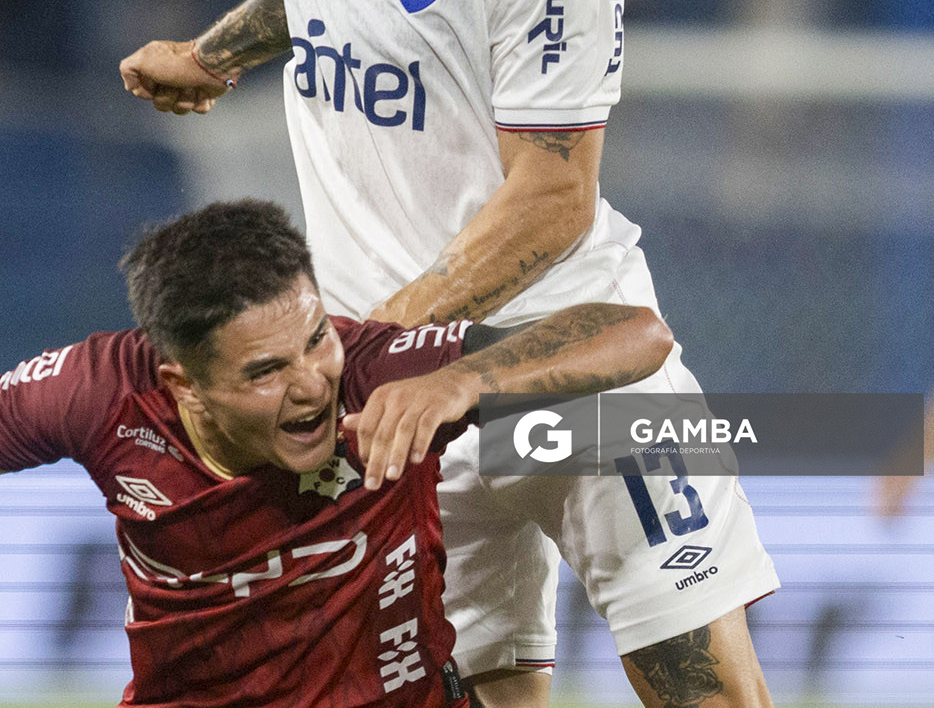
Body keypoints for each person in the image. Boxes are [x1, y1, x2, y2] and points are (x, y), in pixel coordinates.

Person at [120, 0, 779, 708]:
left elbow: (554, 197)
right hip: (408, 409)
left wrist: (382, 338)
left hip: (573, 372)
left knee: (702, 695)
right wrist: (219, 52)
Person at [0, 197, 673, 708]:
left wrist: (463, 380)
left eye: (317, 337)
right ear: (185, 385)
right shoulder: (95, 394)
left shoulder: (379, 374)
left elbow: (638, 335)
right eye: (266, 372)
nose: (311, 385)